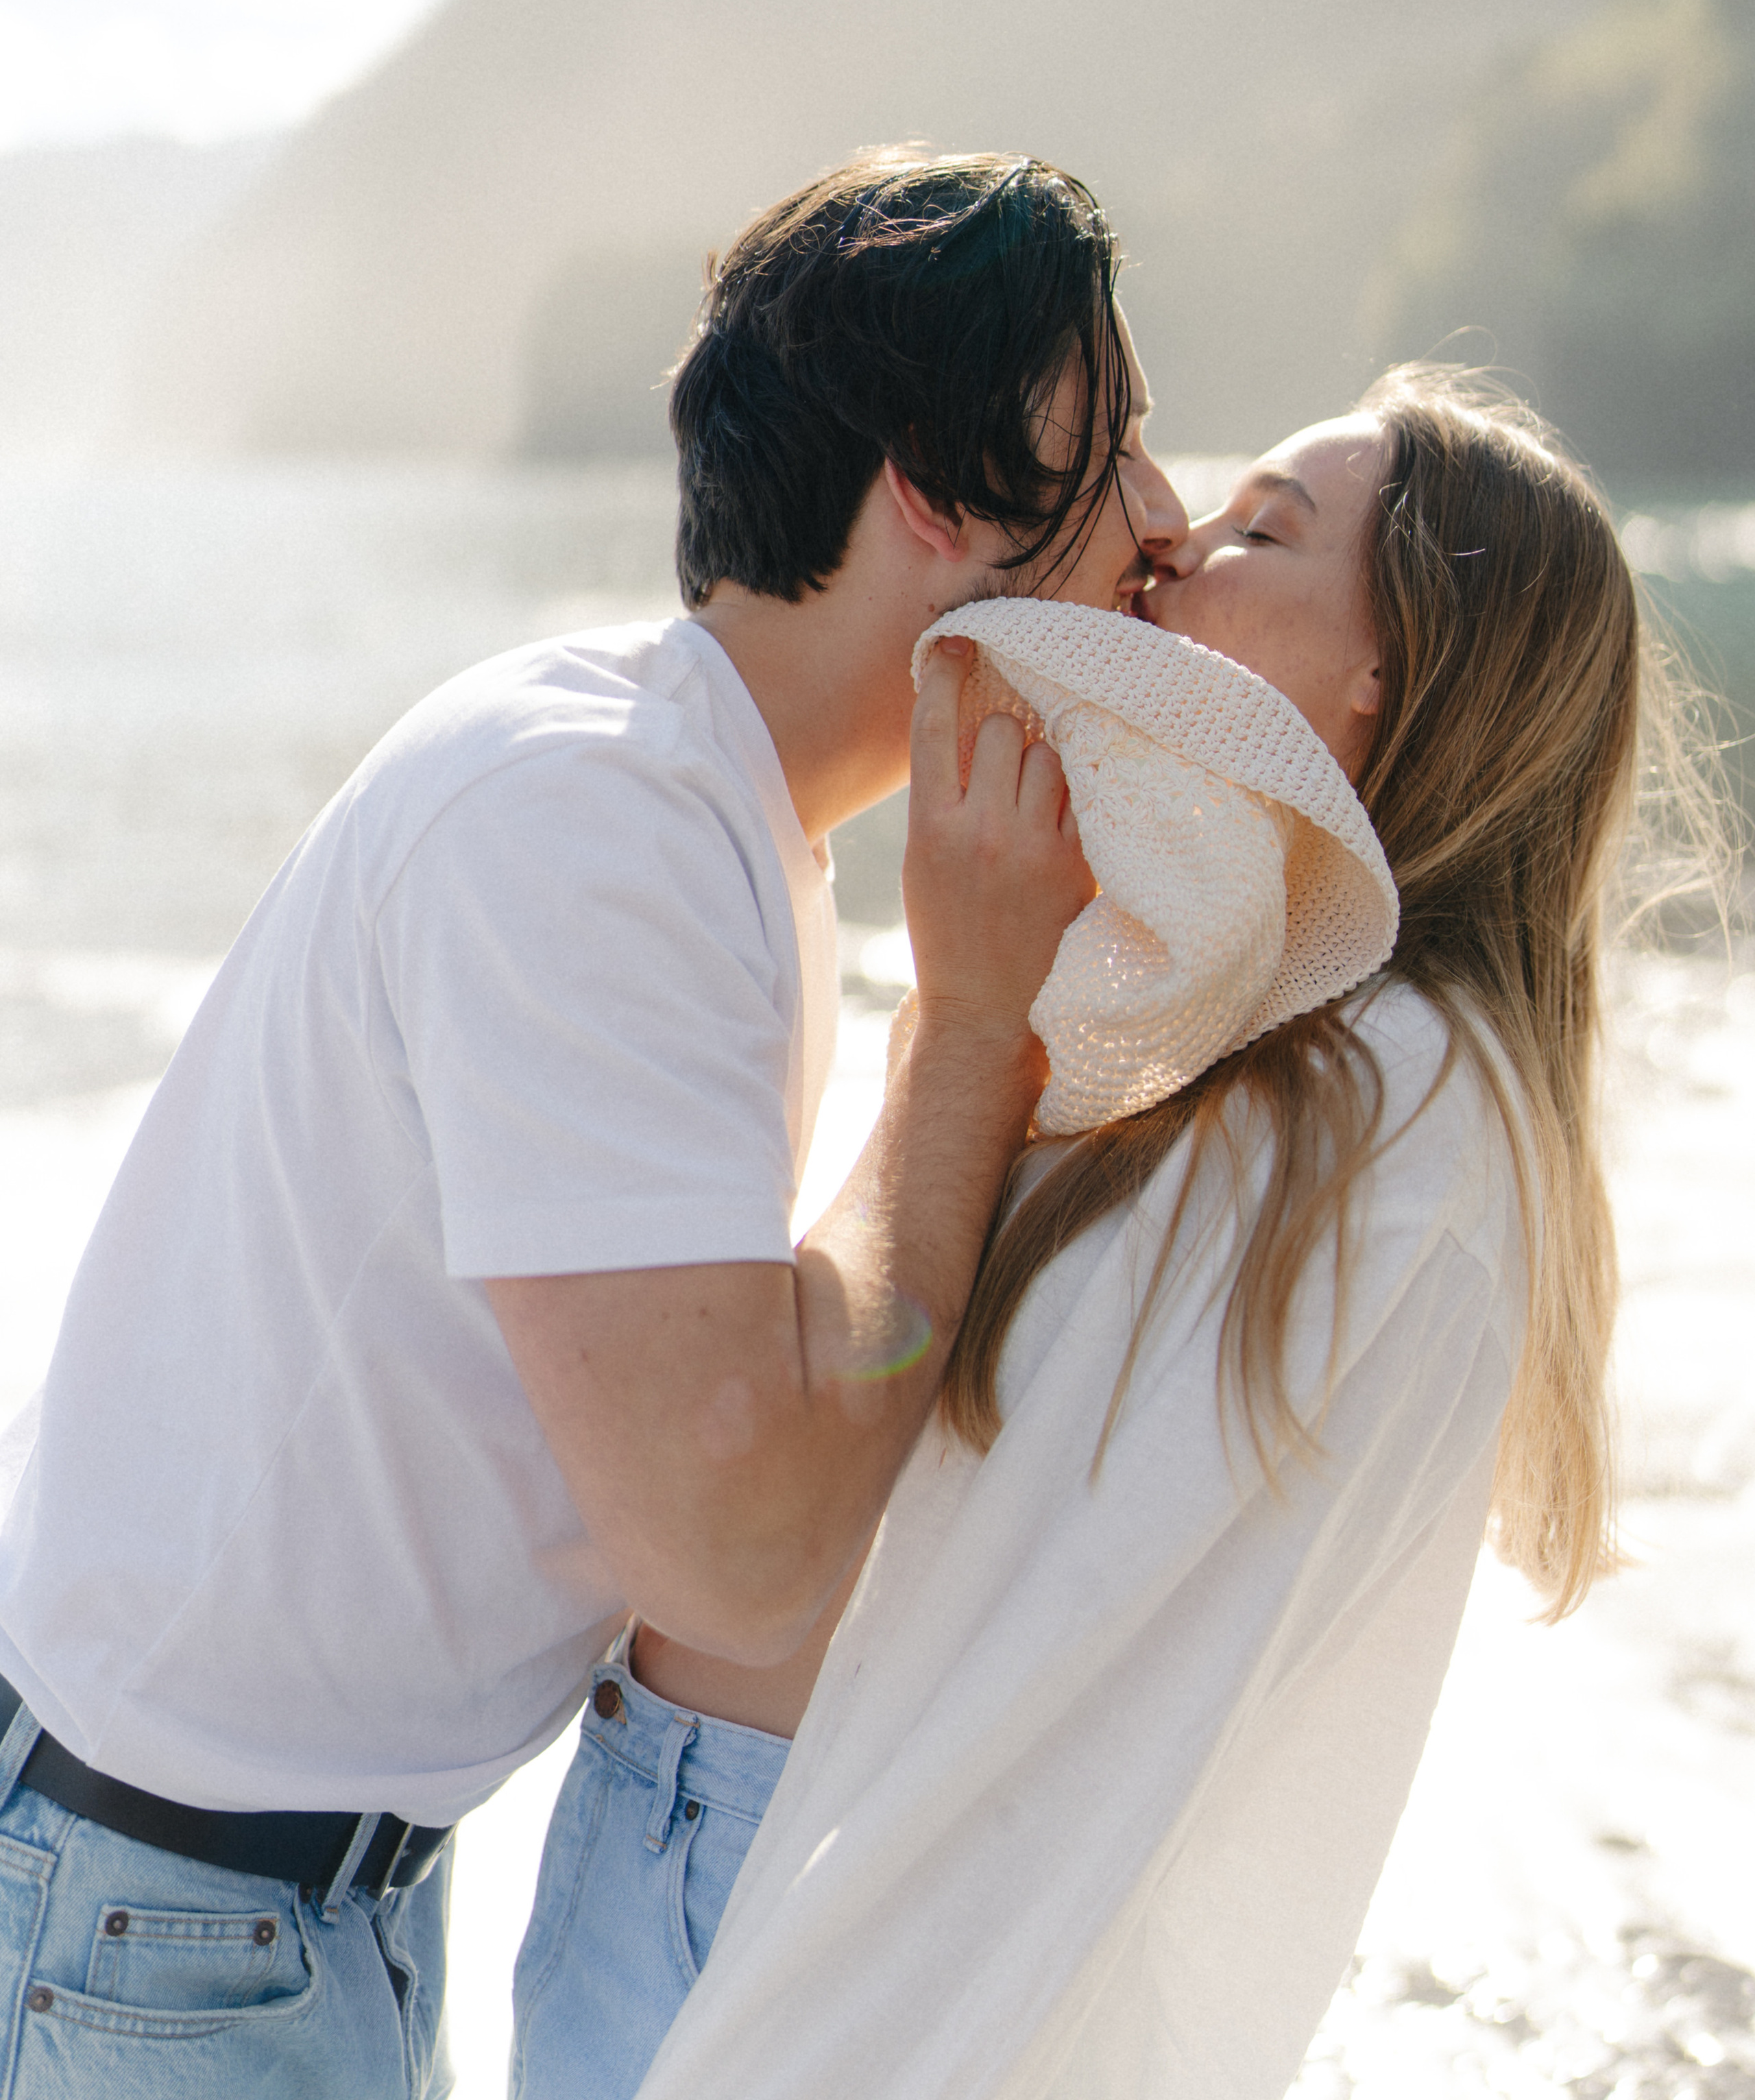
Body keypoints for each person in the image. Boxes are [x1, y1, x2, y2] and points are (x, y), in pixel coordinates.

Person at [0, 149, 1188, 2098]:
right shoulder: (595, 836)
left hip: (250, 1888)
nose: (1162, 512)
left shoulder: (702, 817)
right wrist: (970, 1031)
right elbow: (736, 1556)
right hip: (163, 1917)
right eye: (1115, 438)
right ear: (933, 489)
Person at [530, 366, 1720, 2100]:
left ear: (1390, 669)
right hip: (710, 1831)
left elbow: (1076, 1677)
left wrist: (969, 1006)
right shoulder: (1239, 1017)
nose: (1172, 546)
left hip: (788, 1892)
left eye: (1264, 530)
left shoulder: (1385, 1114)